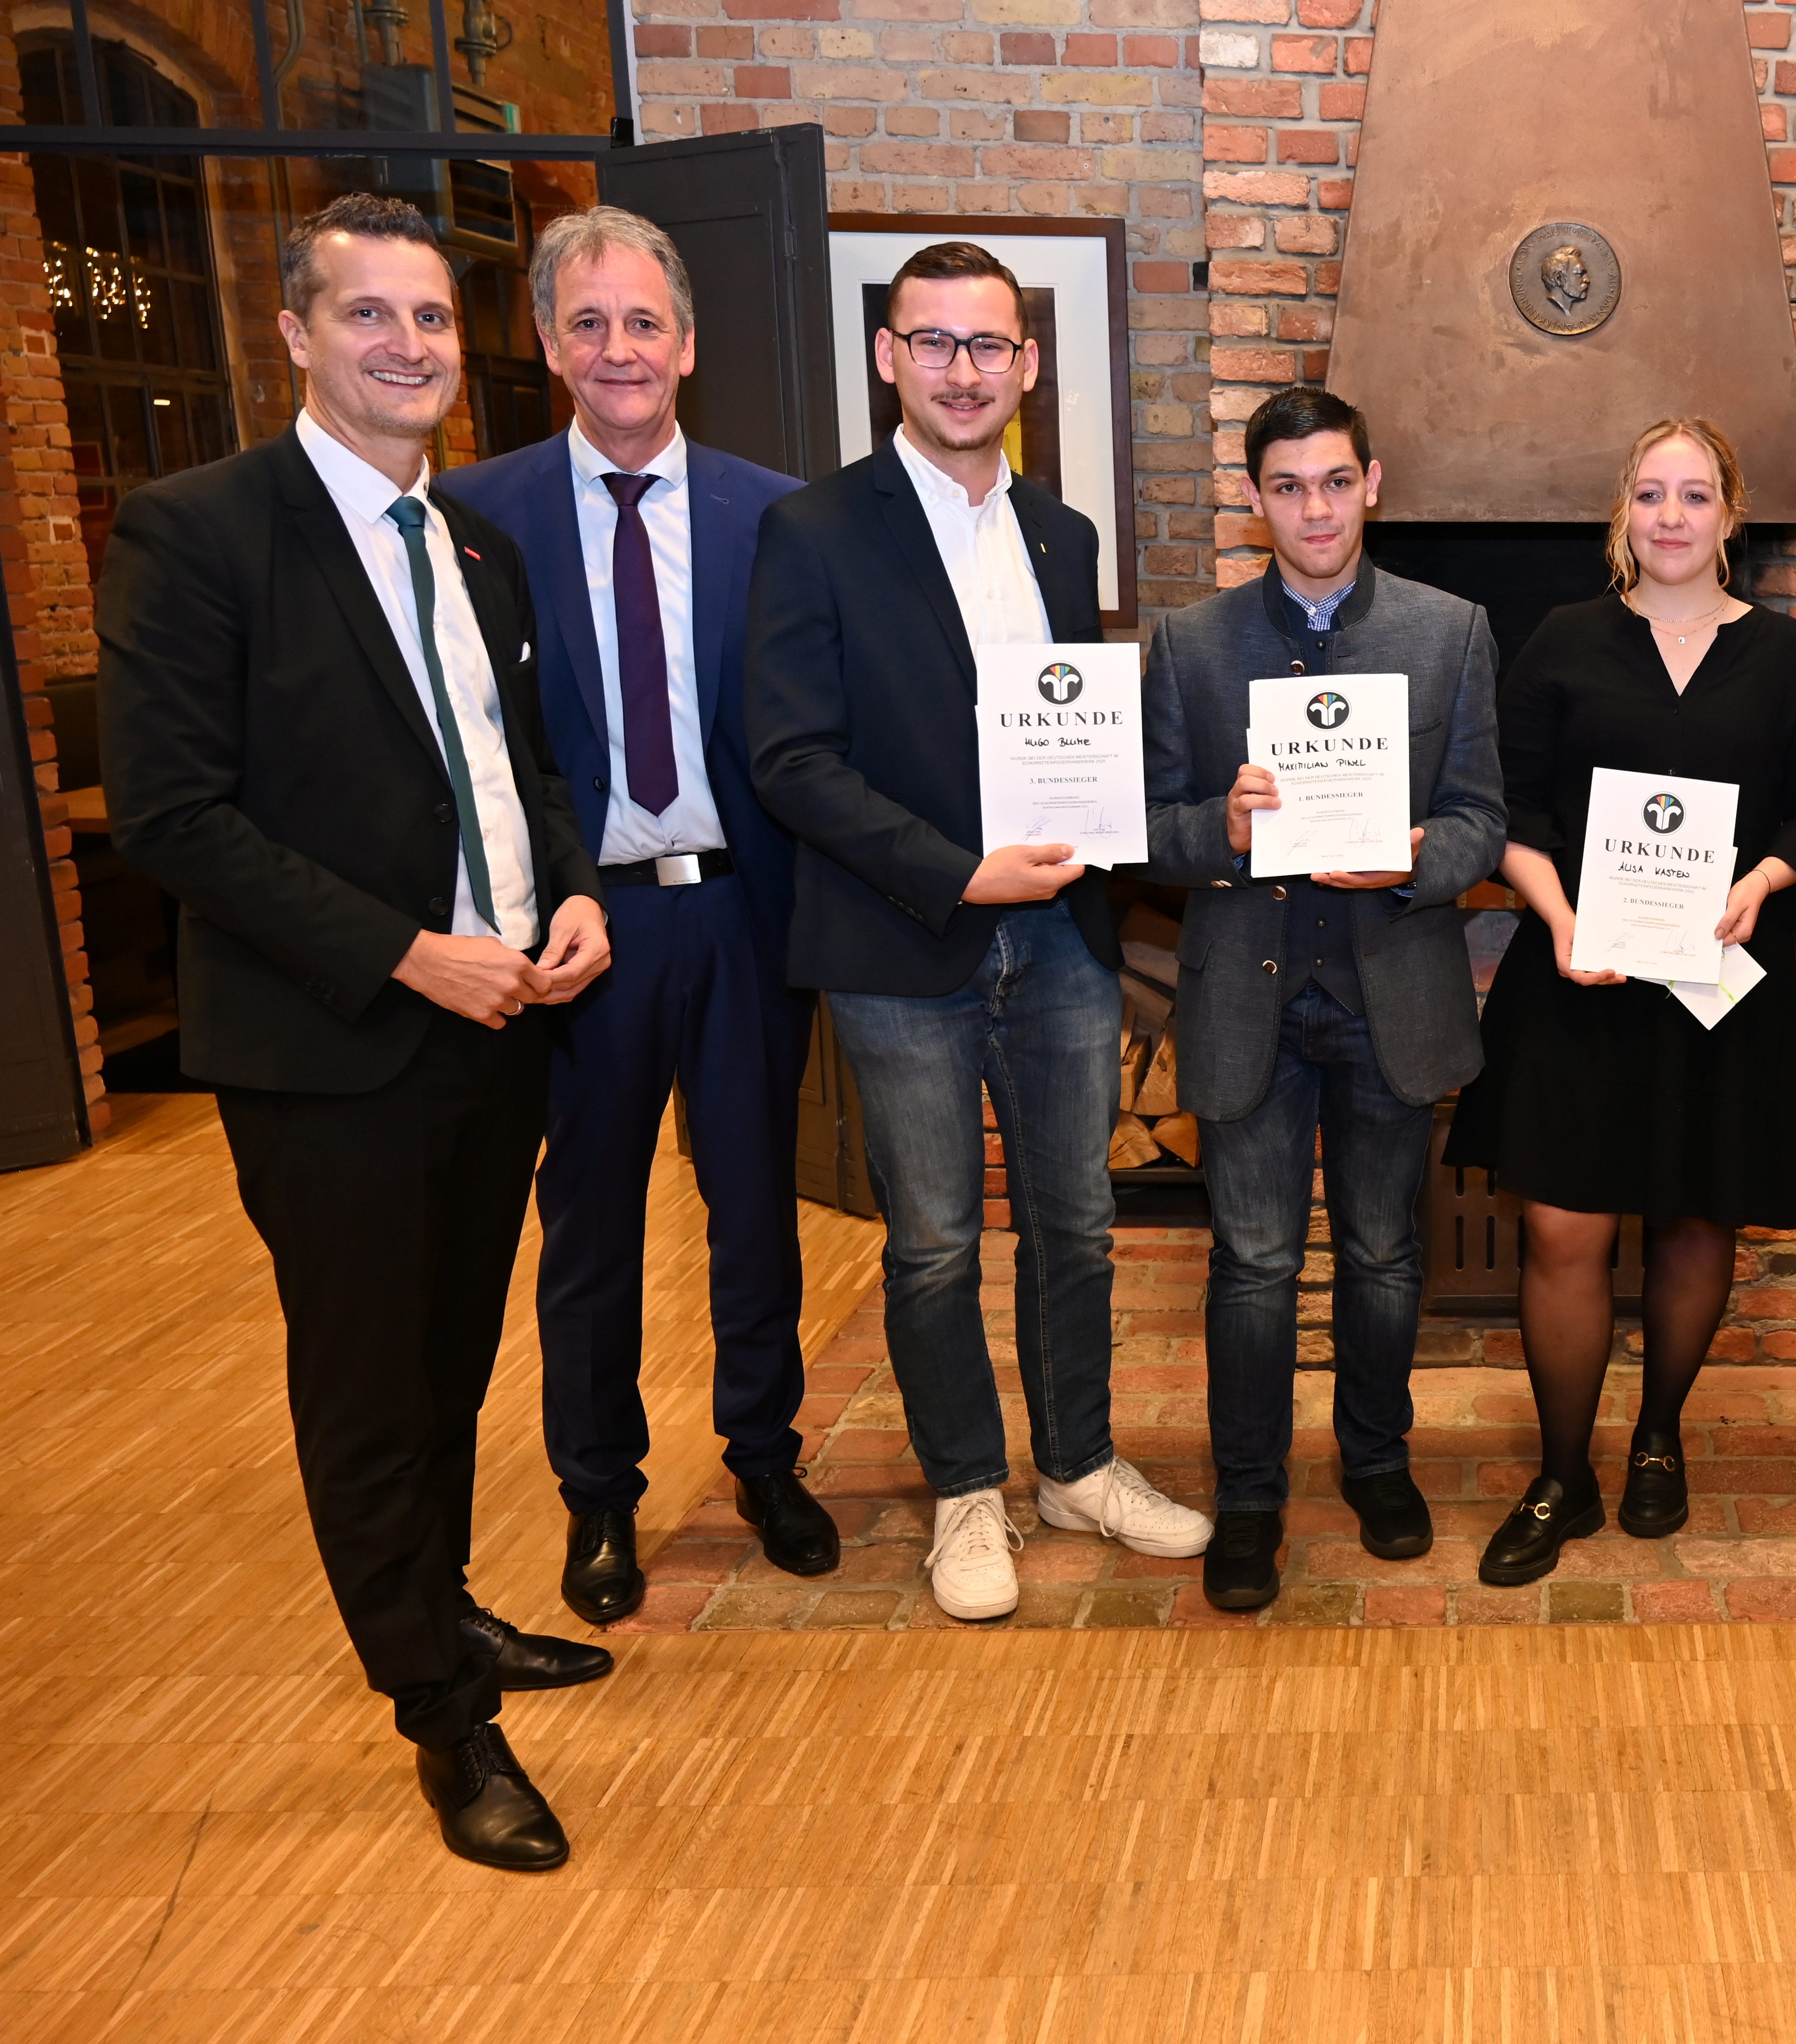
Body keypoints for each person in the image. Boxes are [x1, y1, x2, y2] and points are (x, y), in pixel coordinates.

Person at [99, 193, 616, 1870]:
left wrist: (575, 889)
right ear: (297, 336)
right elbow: (174, 817)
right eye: (372, 316)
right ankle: (443, 1723)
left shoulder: (474, 541)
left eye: (432, 320)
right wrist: (409, 955)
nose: (410, 345)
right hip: (334, 1047)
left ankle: (443, 1612)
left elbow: (513, 763)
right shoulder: (199, 532)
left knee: (452, 1358)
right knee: (366, 1390)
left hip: (502, 1027)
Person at [747, 239, 1211, 1624]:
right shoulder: (815, 533)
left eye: (991, 345)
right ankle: (966, 1490)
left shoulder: (1061, 537)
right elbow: (792, 760)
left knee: (1075, 1220)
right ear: (887, 356)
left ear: (1028, 364)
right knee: (937, 1240)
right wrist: (960, 875)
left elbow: (1066, 741)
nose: (965, 370)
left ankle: (1076, 1464)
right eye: (935, 342)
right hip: (907, 945)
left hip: (1062, 944)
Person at [440, 207, 825, 1625]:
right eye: (589, 324)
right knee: (588, 1223)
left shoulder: (776, 512)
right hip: (576, 937)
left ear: (689, 342)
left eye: (643, 322)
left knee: (755, 1211)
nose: (620, 349)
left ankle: (767, 1459)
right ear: (550, 344)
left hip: (742, 913)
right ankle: (600, 1494)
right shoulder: (475, 519)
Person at [1445, 417, 1796, 1584]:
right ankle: (1563, 1472)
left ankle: (1661, 1434)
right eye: (1649, 494)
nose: (1671, 516)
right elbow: (1509, 809)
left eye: (1694, 495)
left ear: (1732, 513)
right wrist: (1561, 916)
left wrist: (1766, 881)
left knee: (1693, 1216)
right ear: (1621, 514)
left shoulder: (1787, 655)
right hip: (1580, 978)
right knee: (1562, 1226)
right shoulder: (1565, 641)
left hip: (1718, 989)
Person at [1138, 386, 1505, 1613]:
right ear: (1255, 498)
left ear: (1374, 481)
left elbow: (1482, 821)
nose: (1315, 507)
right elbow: (1147, 834)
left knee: (1384, 1251)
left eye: (1335, 481)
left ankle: (1377, 1459)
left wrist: (1417, 856)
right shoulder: (1189, 643)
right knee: (1250, 1262)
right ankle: (1249, 1495)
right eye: (1287, 485)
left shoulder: (1451, 632)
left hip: (1387, 988)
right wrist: (1222, 827)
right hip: (1247, 996)